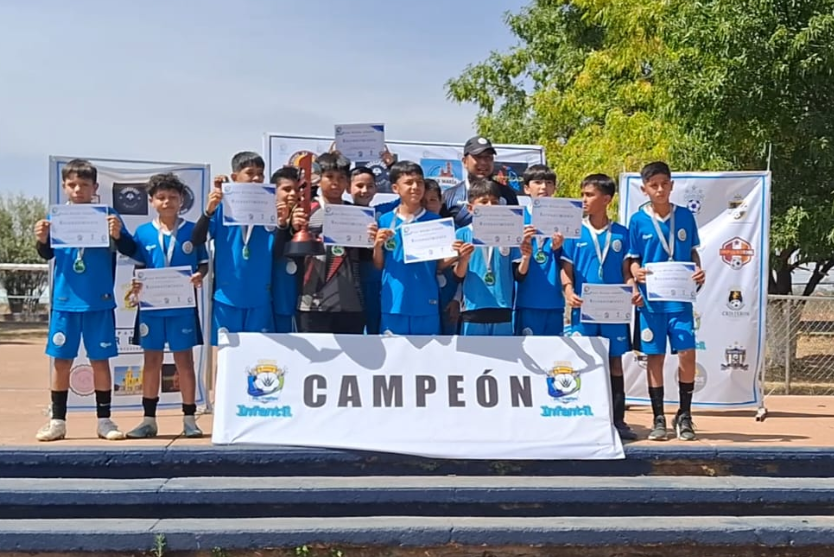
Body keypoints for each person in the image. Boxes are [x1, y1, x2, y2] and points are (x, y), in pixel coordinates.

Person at [33, 158, 137, 442]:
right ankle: (57, 421)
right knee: (61, 362)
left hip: (99, 302)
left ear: (94, 187)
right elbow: (47, 255)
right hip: (65, 302)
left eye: (84, 184)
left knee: (100, 362)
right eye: (72, 184)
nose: (78, 189)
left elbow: (131, 248)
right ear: (65, 187)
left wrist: (117, 234)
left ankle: (104, 421)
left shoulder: (108, 215)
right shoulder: (57, 217)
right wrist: (42, 240)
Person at [626, 161, 706, 441]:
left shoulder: (684, 216)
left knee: (687, 354)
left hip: (680, 300)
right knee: (655, 358)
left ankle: (684, 414)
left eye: (664, 184)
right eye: (653, 185)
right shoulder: (637, 221)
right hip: (651, 301)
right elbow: (633, 258)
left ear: (672, 185)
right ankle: (658, 417)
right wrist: (635, 274)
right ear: (644, 188)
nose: (660, 190)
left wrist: (698, 269)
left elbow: (693, 253)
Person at [126, 173, 208, 439]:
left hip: (182, 307)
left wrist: (200, 276)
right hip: (152, 308)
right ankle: (148, 420)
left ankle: (189, 419)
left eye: (173, 197)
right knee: (151, 361)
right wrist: (136, 285)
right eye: (161, 197)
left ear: (181, 199)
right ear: (151, 201)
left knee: (184, 362)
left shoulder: (193, 230)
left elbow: (203, 263)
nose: (167, 202)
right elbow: (139, 267)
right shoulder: (143, 232)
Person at [562, 174, 640, 441]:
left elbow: (625, 269)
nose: (583, 200)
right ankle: (583, 419)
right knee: (584, 361)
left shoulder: (622, 233)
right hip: (584, 307)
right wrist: (569, 291)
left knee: (614, 362)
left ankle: (617, 420)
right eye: (582, 194)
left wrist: (633, 287)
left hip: (614, 307)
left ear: (606, 200)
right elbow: (566, 269)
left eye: (589, 195)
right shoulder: (574, 231)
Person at [191, 151, 274, 345]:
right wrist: (209, 210)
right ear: (235, 177)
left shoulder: (271, 209)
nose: (256, 178)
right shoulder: (222, 208)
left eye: (260, 174)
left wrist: (284, 221)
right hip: (227, 298)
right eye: (250, 173)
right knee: (224, 357)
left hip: (260, 297)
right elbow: (196, 239)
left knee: (258, 357)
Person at [292, 152, 370, 333]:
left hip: (351, 301)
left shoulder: (358, 213)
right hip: (311, 301)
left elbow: (365, 256)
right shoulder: (305, 209)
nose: (336, 182)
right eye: (330, 177)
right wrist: (292, 228)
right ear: (318, 179)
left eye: (342, 177)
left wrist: (371, 239)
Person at [448, 178, 534, 336]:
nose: (490, 206)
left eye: (494, 202)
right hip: (473, 309)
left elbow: (518, 275)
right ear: (470, 208)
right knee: (473, 359)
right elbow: (457, 277)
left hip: (502, 308)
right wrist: (464, 259)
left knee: (505, 360)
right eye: (484, 202)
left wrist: (526, 258)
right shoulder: (462, 234)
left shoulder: (510, 233)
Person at [373, 162, 442, 335]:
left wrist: (458, 254)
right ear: (396, 188)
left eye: (419, 182)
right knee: (394, 358)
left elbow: (440, 265)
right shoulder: (384, 221)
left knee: (428, 358)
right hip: (394, 302)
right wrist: (378, 246)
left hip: (426, 301)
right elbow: (379, 265)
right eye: (409, 183)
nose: (415, 187)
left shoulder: (436, 222)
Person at [514, 165, 566, 336]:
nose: (544, 187)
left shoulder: (566, 219)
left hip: (554, 300)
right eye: (538, 182)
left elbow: (572, 262)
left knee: (552, 357)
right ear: (527, 189)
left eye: (549, 183)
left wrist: (558, 249)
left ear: (554, 188)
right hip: (526, 299)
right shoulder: (517, 219)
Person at [442, 136, 519, 229]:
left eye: (488, 157)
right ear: (465, 161)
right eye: (478, 157)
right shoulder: (449, 196)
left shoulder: (507, 194)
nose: (483, 162)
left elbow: (515, 230)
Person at [271, 166, 305, 334]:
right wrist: (283, 225)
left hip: (292, 295)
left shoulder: (306, 216)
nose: (293, 194)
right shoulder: (263, 218)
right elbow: (275, 254)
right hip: (269, 295)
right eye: (286, 189)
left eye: (297, 189)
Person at [350, 167, 382, 334]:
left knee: (374, 328)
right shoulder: (340, 210)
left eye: (370, 186)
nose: (365, 191)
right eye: (359, 186)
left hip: (373, 277)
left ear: (376, 188)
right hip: (347, 279)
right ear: (349, 187)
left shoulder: (380, 214)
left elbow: (404, 198)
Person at [423, 180, 458, 335]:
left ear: (441, 201)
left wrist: (457, 298)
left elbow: (467, 270)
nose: (427, 205)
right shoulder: (413, 232)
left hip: (449, 296)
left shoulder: (455, 231)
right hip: (423, 297)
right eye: (422, 201)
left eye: (432, 200)